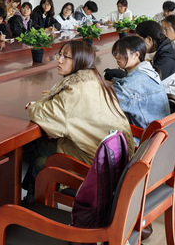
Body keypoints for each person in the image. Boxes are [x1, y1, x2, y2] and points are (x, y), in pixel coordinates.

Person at [23, 40, 133, 203]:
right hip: (112, 154)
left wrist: (33, 105)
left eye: (65, 57)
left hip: (99, 164)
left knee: (41, 153)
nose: (59, 60)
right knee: (41, 149)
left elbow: (48, 117)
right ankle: (34, 199)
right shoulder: (94, 79)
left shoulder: (76, 90)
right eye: (59, 55)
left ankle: (34, 203)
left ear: (80, 61)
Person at [107, 36, 170, 129]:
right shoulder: (149, 71)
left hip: (144, 135)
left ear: (136, 55)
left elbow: (107, 100)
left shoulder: (135, 80)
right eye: (116, 53)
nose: (117, 56)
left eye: (122, 53)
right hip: (160, 131)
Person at [135, 21, 175, 98]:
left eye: (140, 41)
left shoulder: (167, 58)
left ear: (149, 39)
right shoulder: (167, 47)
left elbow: (148, 83)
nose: (138, 45)